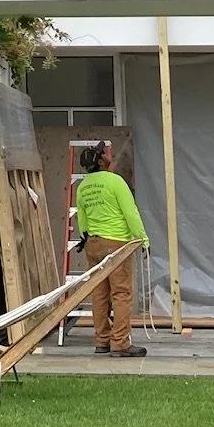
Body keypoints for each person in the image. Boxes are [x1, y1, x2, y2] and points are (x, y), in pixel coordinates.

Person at [72, 141, 148, 357]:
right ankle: (121, 343)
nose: (108, 155)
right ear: (100, 160)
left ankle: (102, 341)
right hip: (116, 244)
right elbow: (130, 213)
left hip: (93, 245)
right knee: (122, 294)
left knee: (100, 294)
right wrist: (143, 239)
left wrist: (87, 238)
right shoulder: (115, 182)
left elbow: (83, 220)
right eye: (103, 153)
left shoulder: (83, 187)